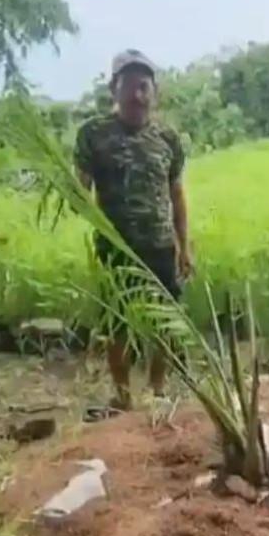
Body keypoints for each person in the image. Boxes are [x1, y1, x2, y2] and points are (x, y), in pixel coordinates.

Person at [74, 49, 192, 412]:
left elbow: (176, 193)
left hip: (160, 246)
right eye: (129, 86)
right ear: (114, 89)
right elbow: (80, 188)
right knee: (117, 323)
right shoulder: (93, 134)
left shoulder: (168, 139)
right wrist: (71, 191)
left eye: (145, 87)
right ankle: (122, 395)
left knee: (165, 324)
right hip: (115, 248)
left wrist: (184, 247)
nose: (137, 95)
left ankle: (157, 391)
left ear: (155, 93)